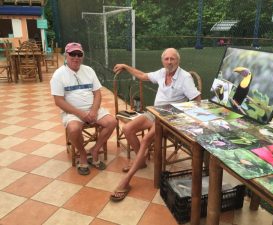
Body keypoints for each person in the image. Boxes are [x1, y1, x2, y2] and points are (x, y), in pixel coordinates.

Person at [110, 48, 201, 201]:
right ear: (162, 60)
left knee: (145, 140)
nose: (169, 62)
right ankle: (142, 161)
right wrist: (126, 66)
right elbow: (142, 75)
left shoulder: (185, 78)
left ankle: (126, 181)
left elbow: (197, 99)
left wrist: (184, 117)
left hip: (169, 118)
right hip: (154, 112)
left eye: (173, 59)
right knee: (127, 129)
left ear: (178, 61)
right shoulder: (161, 72)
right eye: (166, 59)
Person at [50, 42, 117, 175]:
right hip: (72, 112)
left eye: (79, 54)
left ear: (83, 56)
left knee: (112, 122)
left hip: (92, 109)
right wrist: (80, 113)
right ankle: (83, 155)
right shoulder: (59, 74)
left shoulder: (89, 70)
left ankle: (94, 150)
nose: (76, 57)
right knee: (74, 129)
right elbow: (58, 101)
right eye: (72, 54)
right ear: (66, 55)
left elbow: (97, 93)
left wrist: (93, 110)